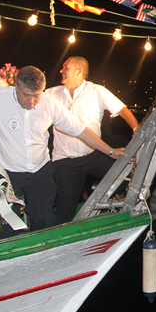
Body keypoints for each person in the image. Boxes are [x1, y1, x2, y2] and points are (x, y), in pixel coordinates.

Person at [0, 65, 125, 232]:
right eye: (26, 95)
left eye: (37, 95)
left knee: (45, 221)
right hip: (7, 174)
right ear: (16, 87)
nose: (32, 101)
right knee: (6, 227)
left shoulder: (50, 103)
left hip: (40, 172)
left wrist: (109, 151)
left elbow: (80, 130)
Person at [45, 57, 140, 223]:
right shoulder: (51, 94)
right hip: (65, 160)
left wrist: (137, 132)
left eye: (65, 67)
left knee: (127, 171)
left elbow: (123, 110)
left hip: (93, 154)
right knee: (64, 209)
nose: (61, 71)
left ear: (78, 71)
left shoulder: (97, 91)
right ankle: (62, 242)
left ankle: (103, 194)